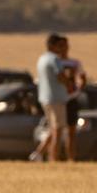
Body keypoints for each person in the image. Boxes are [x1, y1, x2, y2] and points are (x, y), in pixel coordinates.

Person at [36, 33, 82, 163]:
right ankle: (53, 158)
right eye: (58, 45)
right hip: (56, 98)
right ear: (53, 45)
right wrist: (70, 85)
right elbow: (60, 76)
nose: (60, 48)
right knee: (58, 130)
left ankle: (40, 154)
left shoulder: (42, 59)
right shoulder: (54, 59)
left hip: (45, 98)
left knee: (53, 128)